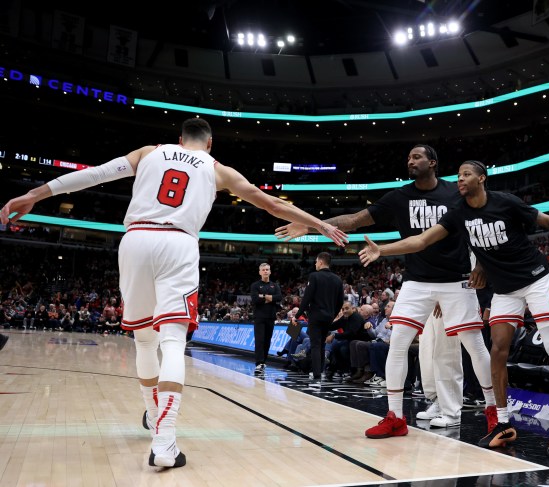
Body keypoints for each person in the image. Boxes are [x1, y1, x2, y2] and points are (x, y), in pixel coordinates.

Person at [0, 117, 347, 469]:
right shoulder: (218, 169)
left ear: (178, 139)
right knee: (172, 343)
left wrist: (34, 194)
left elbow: (94, 175)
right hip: (178, 244)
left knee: (144, 341)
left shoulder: (150, 152)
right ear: (210, 144)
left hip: (135, 240)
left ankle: (154, 417)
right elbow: (270, 204)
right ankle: (164, 443)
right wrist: (319, 223)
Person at [359, 159, 549, 456]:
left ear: (482, 178)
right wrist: (383, 250)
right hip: (504, 288)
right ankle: (503, 422)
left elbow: (547, 222)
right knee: (497, 350)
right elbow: (421, 240)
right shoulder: (458, 213)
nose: (460, 179)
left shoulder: (506, 202)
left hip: (534, 279)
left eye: (466, 174)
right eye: (457, 175)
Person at [276, 145, 497, 437]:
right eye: (408, 157)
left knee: (473, 344)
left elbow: (479, 224)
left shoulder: (455, 191)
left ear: (432, 162)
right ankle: (395, 417)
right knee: (398, 343)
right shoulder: (399, 197)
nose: (410, 160)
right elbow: (354, 220)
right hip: (417, 281)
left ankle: (495, 413)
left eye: (417, 156)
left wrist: (480, 263)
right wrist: (311, 226)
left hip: (456, 280)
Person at [291, 252, 344, 381]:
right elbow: (340, 302)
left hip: (316, 316)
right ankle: (319, 371)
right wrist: (332, 315)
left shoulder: (314, 276)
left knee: (315, 345)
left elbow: (306, 299)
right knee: (321, 345)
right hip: (328, 317)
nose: (315, 264)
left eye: (316, 261)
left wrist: (297, 316)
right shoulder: (338, 279)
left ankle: (316, 375)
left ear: (320, 262)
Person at [250, 263, 282, 374]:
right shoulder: (255, 285)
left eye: (267, 269)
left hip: (271, 316)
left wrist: (262, 296)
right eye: (263, 270)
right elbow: (255, 299)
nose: (265, 271)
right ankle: (259, 363)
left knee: (267, 340)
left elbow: (279, 297)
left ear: (270, 271)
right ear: (260, 272)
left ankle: (264, 362)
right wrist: (269, 298)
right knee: (260, 340)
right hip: (259, 317)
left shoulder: (275, 285)